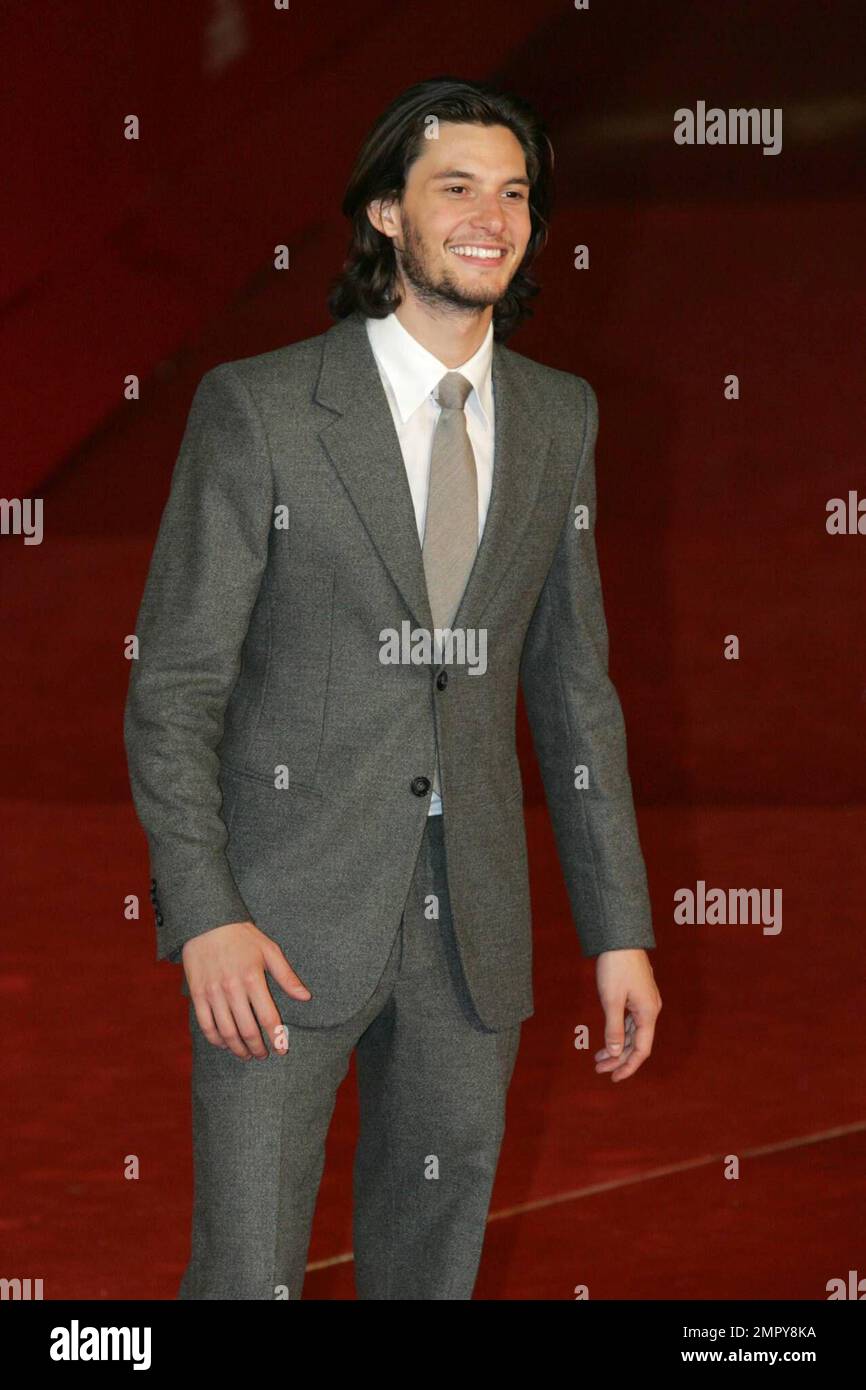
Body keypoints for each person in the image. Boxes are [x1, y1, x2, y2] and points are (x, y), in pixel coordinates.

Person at [124, 74, 662, 1302]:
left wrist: (616, 926)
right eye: (455, 187)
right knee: (249, 1272)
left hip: (470, 933)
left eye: (513, 191)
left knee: (430, 1272)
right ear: (384, 214)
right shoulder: (259, 409)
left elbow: (575, 688)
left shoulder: (558, 417)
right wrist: (203, 912)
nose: (491, 215)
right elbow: (176, 684)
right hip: (275, 931)